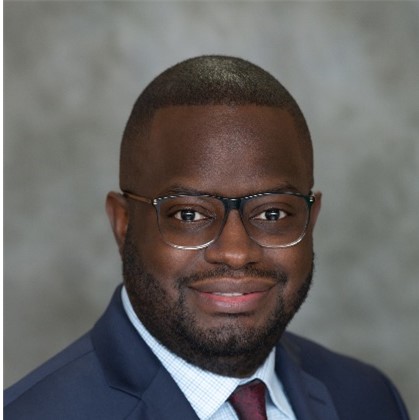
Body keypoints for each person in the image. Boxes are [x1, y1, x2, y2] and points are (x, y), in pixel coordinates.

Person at [4, 55, 410, 420]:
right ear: (123, 223)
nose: (236, 252)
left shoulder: (369, 398)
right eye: (189, 214)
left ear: (311, 219)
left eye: (272, 213)